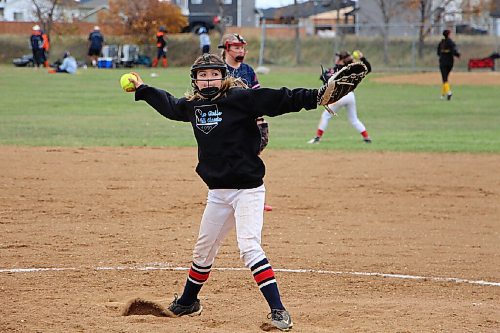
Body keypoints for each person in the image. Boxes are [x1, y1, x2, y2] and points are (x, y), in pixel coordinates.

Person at [127, 53, 345, 331]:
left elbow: (280, 99)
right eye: (202, 75)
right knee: (204, 249)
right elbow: (170, 105)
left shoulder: (240, 100)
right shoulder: (194, 106)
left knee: (249, 247)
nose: (208, 79)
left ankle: (278, 310)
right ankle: (187, 302)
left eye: (214, 74)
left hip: (247, 191)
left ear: (224, 76)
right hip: (218, 193)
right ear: (194, 80)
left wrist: (317, 96)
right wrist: (143, 89)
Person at [218, 33, 272, 211]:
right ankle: (225, 196)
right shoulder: (219, 70)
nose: (241, 50)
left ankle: (253, 197)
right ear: (227, 48)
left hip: (248, 122)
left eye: (242, 47)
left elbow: (257, 96)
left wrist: (259, 116)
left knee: (250, 159)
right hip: (227, 123)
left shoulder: (248, 70)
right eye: (236, 47)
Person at [308, 50, 372, 144]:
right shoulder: (352, 69)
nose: (336, 59)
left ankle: (317, 138)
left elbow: (325, 79)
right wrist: (362, 58)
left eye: (338, 57)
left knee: (325, 116)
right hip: (350, 96)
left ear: (341, 60)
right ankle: (367, 138)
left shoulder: (333, 70)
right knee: (354, 119)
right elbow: (368, 69)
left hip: (339, 96)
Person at [437, 29, 460, 100]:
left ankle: (449, 92)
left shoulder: (441, 43)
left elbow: (438, 53)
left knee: (444, 78)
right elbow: (455, 51)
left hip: (443, 62)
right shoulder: (451, 42)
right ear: (449, 34)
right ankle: (443, 95)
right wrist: (458, 55)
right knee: (445, 78)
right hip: (450, 62)